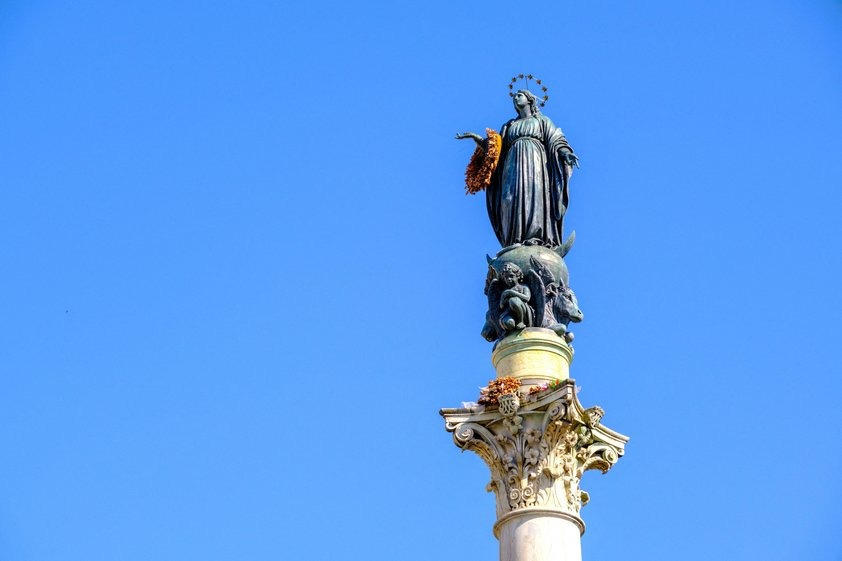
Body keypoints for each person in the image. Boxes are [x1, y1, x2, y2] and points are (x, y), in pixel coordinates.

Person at [457, 90, 579, 248]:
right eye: (514, 96)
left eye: (519, 95)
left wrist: (565, 153)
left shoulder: (541, 121)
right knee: (508, 198)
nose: (515, 98)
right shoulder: (509, 125)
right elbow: (496, 149)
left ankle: (535, 236)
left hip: (535, 162)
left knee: (533, 194)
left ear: (529, 100)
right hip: (512, 163)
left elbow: (556, 139)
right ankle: (513, 239)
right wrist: (478, 139)